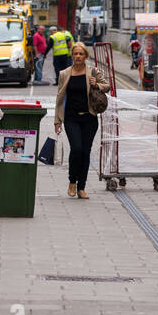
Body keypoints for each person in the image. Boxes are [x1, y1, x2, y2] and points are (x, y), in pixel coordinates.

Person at [53, 40, 108, 199]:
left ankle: (81, 187)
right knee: (76, 149)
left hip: (90, 117)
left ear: (85, 56)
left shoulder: (93, 72)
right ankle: (72, 181)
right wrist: (57, 120)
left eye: (81, 54)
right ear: (72, 55)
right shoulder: (64, 74)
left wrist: (96, 83)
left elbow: (107, 86)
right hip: (71, 118)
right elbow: (59, 98)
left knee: (86, 152)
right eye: (75, 54)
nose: (78, 56)